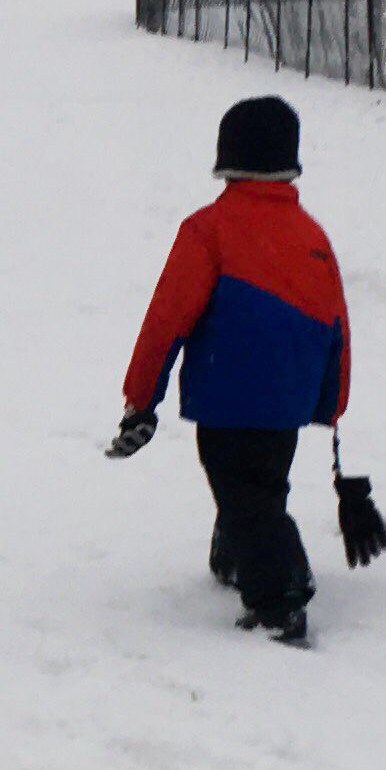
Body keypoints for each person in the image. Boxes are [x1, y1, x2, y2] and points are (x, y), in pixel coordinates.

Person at [110, 95, 352, 645]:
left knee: (243, 492)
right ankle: (236, 555)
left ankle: (280, 598)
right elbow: (336, 324)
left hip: (228, 394)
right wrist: (330, 404)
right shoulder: (313, 237)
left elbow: (167, 320)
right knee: (262, 484)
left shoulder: (207, 230)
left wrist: (141, 399)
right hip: (288, 399)